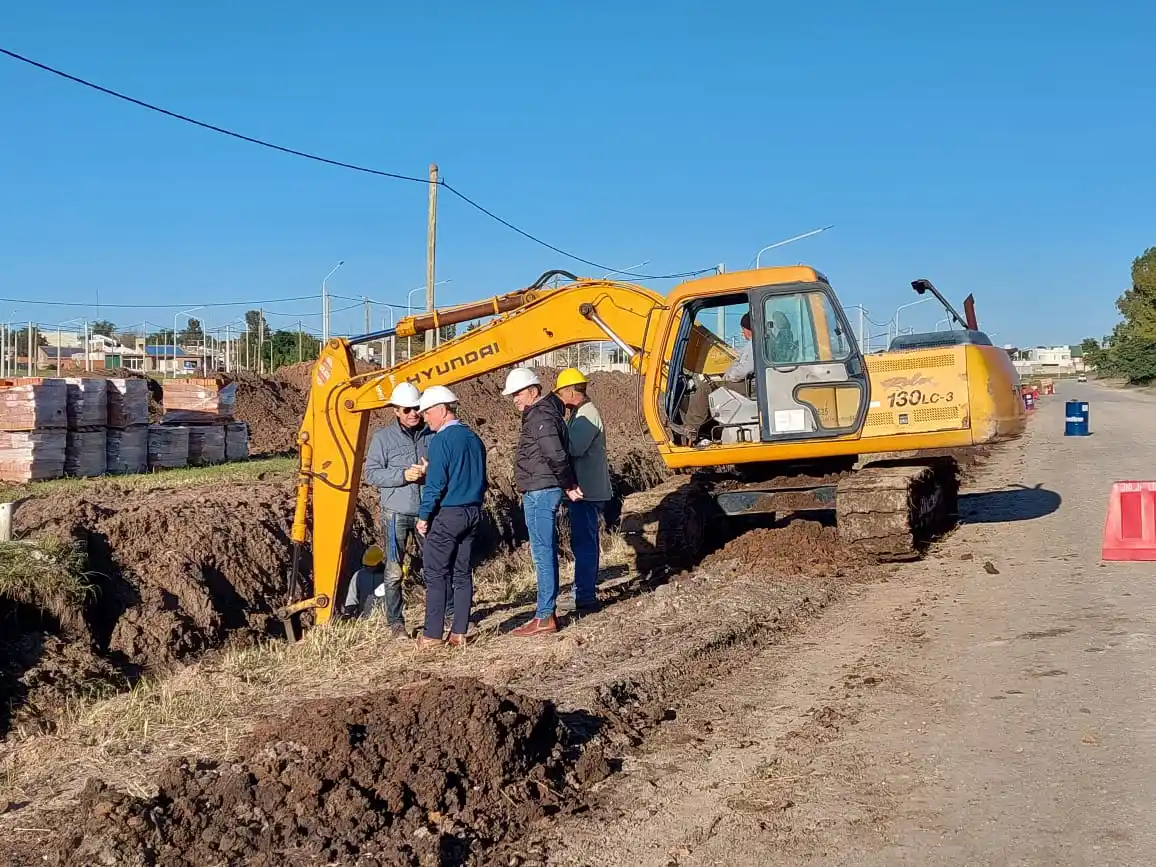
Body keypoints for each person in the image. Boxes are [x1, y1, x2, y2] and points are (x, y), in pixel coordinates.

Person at [501, 367, 583, 636]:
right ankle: (545, 612)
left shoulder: (540, 416)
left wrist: (568, 483)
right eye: (512, 395)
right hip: (540, 487)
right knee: (542, 550)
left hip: (541, 490)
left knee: (542, 552)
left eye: (518, 393)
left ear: (533, 391)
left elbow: (555, 454)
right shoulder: (543, 414)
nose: (515, 399)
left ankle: (545, 616)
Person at [415, 385, 487, 648]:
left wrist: (424, 516)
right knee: (462, 573)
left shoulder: (441, 442)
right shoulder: (474, 439)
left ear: (443, 410)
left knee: (435, 574)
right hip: (473, 512)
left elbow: (436, 485)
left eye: (427, 413)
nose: (424, 418)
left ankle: (432, 635)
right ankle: (459, 632)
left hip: (449, 514)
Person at [362, 381, 431, 640]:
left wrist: (428, 471)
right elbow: (372, 473)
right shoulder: (383, 438)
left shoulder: (431, 435)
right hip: (395, 513)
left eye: (417, 408)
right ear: (396, 411)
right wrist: (402, 475)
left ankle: (441, 615)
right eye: (407, 409)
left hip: (426, 511)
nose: (414, 413)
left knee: (435, 566)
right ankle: (396, 623)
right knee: (393, 570)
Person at [553, 368, 612, 614]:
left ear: (570, 391)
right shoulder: (581, 413)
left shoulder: (587, 414)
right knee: (584, 542)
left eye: (560, 392)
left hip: (587, 491)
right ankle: (583, 593)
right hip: (585, 489)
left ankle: (585, 596)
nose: (558, 397)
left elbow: (575, 448)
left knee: (585, 544)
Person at [683, 311, 755, 441]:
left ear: (749, 329)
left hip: (751, 386)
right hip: (753, 384)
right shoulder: (756, 343)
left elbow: (744, 369)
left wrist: (727, 378)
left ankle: (691, 427)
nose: (742, 333)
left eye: (743, 329)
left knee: (706, 388)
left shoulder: (753, 344)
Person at [341, 545, 387, 618]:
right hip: (364, 619)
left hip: (384, 617)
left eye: (372, 566)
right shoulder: (358, 575)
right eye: (367, 565)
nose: (369, 567)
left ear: (379, 562)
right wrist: (348, 611)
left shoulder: (388, 574)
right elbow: (352, 596)